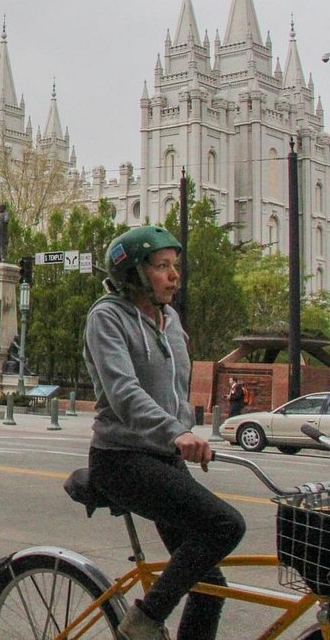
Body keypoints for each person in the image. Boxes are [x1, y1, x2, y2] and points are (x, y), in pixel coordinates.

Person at [84, 226, 245, 640]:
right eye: (161, 267)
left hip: (163, 459)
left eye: (175, 266)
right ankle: (145, 619)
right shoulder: (107, 317)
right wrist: (176, 433)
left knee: (209, 588)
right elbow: (123, 392)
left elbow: (173, 388)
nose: (174, 276)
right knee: (226, 525)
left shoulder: (170, 319)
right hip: (121, 459)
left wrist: (183, 435)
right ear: (134, 273)